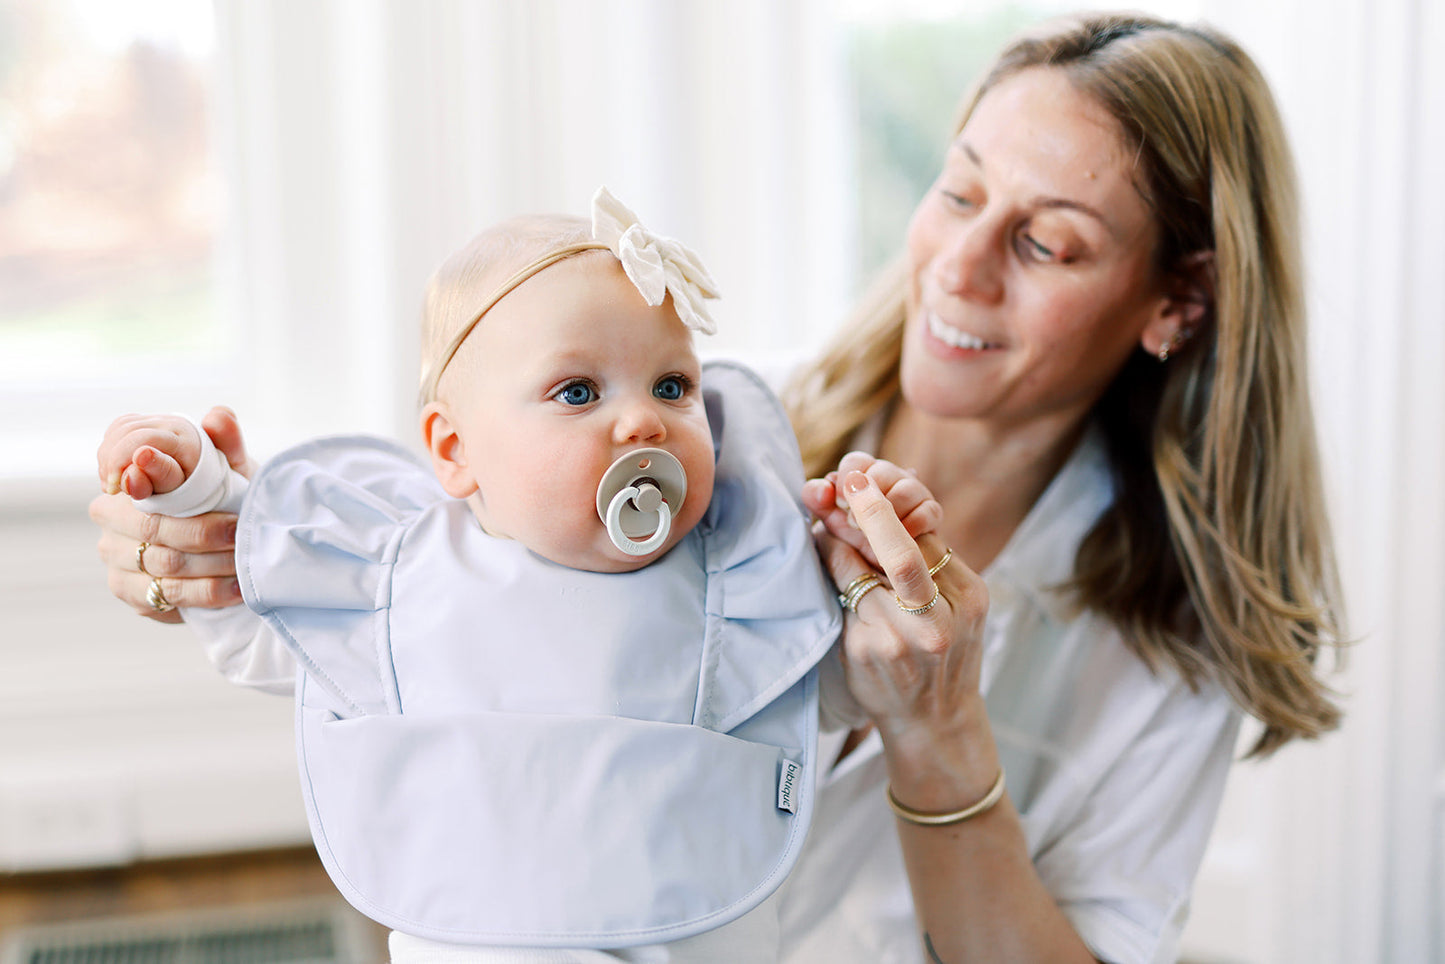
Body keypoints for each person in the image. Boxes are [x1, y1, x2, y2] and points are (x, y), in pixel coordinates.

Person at [90, 12, 1345, 963]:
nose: (955, 268)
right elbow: (425, 584)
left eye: (1044, 240)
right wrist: (214, 534)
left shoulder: (1174, 653)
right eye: (957, 188)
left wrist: (937, 733)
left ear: (1173, 304)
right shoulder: (706, 446)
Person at [97, 188, 938, 962]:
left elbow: (811, 691)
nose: (642, 417)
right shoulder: (404, 578)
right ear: (455, 451)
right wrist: (198, 492)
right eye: (577, 393)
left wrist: (881, 591)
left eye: (673, 385)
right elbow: (267, 625)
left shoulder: (734, 574)